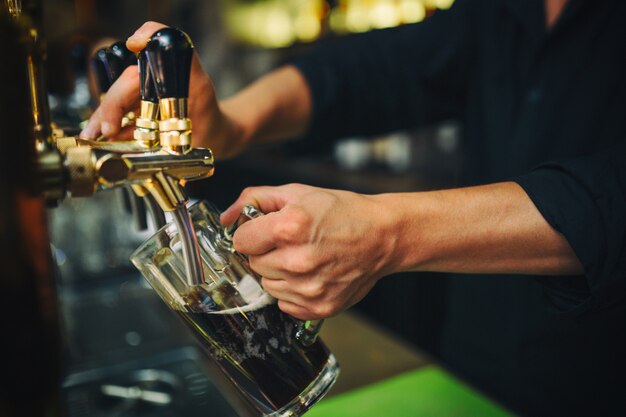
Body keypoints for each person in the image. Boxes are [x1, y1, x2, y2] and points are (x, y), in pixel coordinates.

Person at [81, 0, 626, 415]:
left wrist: (388, 232)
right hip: (472, 363)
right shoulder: (503, 10)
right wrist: (228, 125)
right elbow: (374, 71)